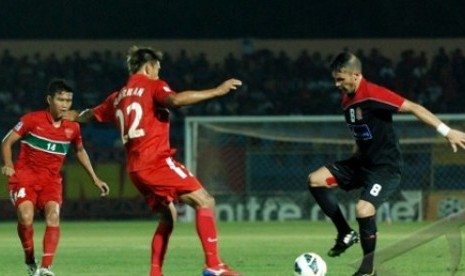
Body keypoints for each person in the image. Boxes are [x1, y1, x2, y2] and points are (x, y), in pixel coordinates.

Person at [64, 46, 242, 276]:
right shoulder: (153, 85)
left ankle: (155, 272)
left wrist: (66, 115)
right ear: (149, 66)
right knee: (205, 201)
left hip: (135, 170)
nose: (159, 72)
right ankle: (214, 265)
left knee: (169, 216)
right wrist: (217, 91)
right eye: (158, 67)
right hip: (155, 162)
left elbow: (87, 115)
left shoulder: (117, 97)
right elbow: (175, 100)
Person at [307, 52, 465, 276]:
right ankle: (344, 232)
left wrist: (447, 131)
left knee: (363, 210)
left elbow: (414, 108)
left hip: (384, 170)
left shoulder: (372, 94)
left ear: (356, 75)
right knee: (315, 180)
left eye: (340, 79)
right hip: (361, 163)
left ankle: (368, 270)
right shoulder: (346, 99)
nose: (336, 84)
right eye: (334, 79)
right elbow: (361, 134)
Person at [1, 79, 110, 276]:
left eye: (69, 100)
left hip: (51, 181)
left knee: (53, 216)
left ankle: (45, 267)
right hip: (25, 178)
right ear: (49, 99)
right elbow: (6, 142)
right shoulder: (31, 120)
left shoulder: (72, 127)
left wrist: (95, 178)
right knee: (26, 217)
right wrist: (8, 164)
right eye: (61, 99)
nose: (65, 104)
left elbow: (80, 150)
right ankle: (29, 258)